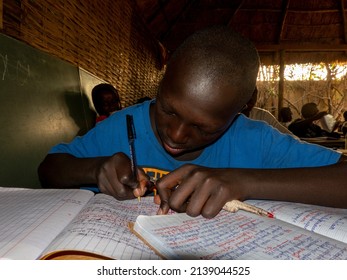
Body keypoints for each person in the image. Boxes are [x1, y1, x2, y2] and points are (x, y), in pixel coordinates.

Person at [38, 26, 347, 219]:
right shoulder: (125, 125)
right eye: (169, 109)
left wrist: (243, 181)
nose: (176, 134)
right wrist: (95, 168)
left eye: (204, 128)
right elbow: (48, 169)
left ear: (244, 107)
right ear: (162, 82)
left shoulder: (257, 141)